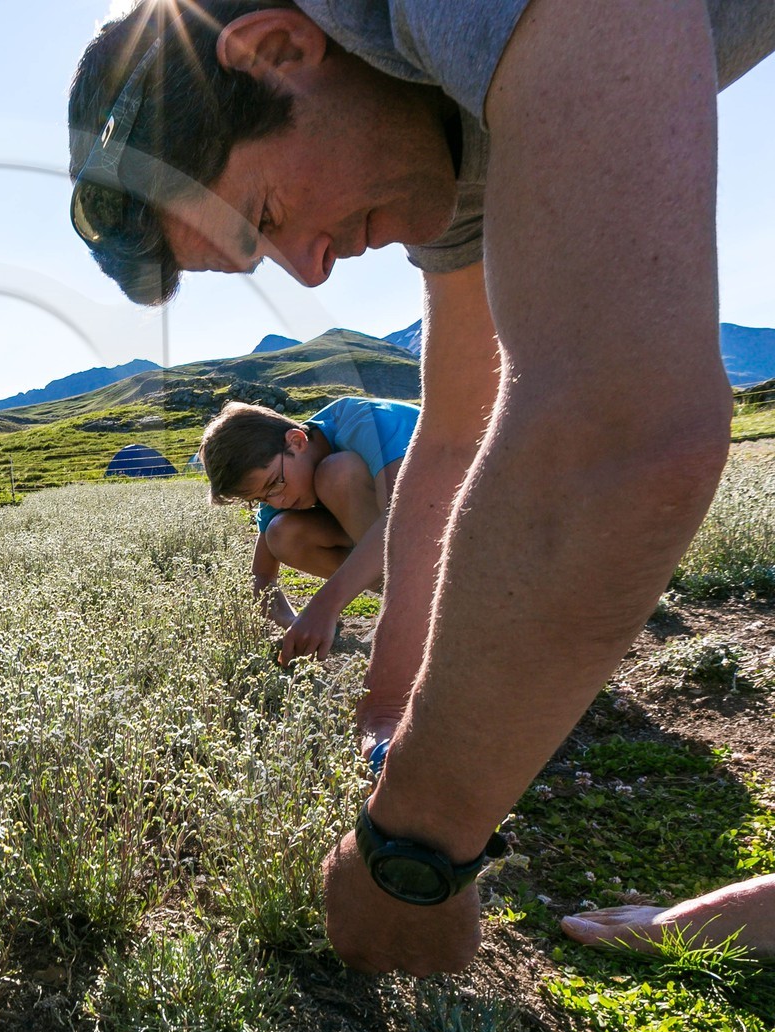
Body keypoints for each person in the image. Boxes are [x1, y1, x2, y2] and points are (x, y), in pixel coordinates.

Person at [67, 0, 775, 972]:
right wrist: (390, 703)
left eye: (267, 216)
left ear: (279, 49)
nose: (310, 273)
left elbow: (623, 435)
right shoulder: (447, 144)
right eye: (263, 256)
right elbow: (449, 449)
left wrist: (412, 848)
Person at [199, 396, 418, 666]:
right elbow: (262, 576)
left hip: (468, 537)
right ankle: (412, 600)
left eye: (275, 485)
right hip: (415, 551)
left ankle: (417, 607)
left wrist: (324, 606)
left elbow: (403, 521)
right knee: (281, 532)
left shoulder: (367, 422)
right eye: (262, 499)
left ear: (297, 441)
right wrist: (296, 623)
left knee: (336, 473)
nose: (277, 502)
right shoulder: (282, 476)